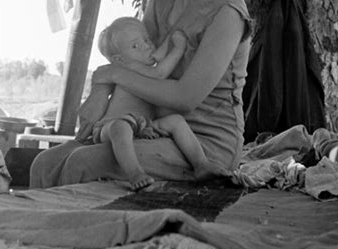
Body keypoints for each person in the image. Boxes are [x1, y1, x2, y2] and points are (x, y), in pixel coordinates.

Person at [30, 0, 252, 188]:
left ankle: (77, 232)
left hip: (202, 141)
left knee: (82, 163)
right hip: (150, 125)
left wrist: (111, 73)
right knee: (44, 163)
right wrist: (100, 90)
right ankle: (37, 234)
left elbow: (185, 98)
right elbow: (137, 60)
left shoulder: (227, 10)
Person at [85, 16, 230, 190]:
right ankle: (135, 172)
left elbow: (158, 67)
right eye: (135, 46)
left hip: (143, 126)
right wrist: (178, 48)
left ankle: (201, 164)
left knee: (175, 121)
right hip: (111, 126)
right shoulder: (128, 68)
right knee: (121, 128)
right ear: (119, 60)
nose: (147, 46)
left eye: (146, 40)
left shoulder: (140, 67)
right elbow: (160, 73)